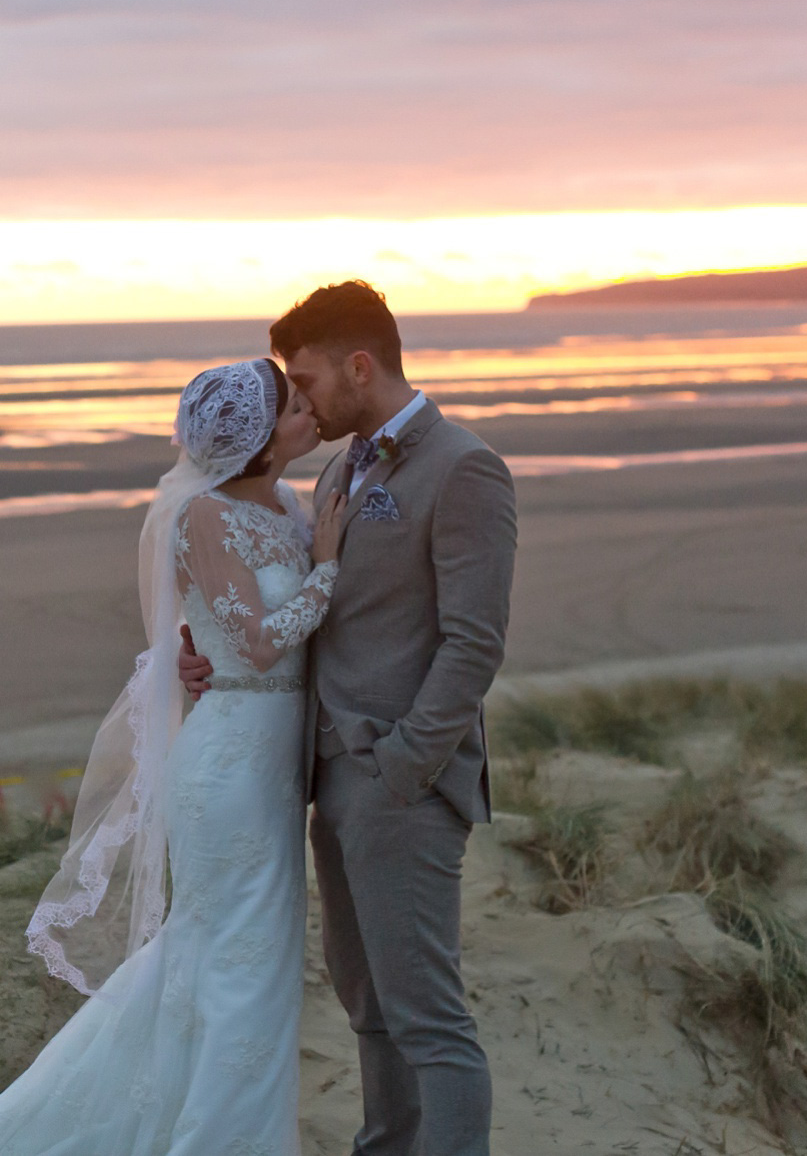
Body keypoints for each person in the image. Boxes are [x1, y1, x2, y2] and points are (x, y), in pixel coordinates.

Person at [181, 280, 518, 1156]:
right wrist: (203, 656)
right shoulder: (338, 468)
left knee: (428, 1020)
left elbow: (473, 644)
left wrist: (404, 765)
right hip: (325, 779)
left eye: (310, 379)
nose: (303, 400)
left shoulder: (464, 467)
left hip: (399, 782)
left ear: (360, 365)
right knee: (368, 1008)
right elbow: (292, 611)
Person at [0, 357, 346, 1155]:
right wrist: (327, 568)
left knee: (239, 958)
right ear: (258, 439)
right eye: (294, 407)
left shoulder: (289, 503)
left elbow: (230, 638)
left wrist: (310, 562)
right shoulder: (202, 516)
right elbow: (257, 644)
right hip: (227, 768)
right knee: (239, 962)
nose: (309, 413)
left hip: (273, 764)